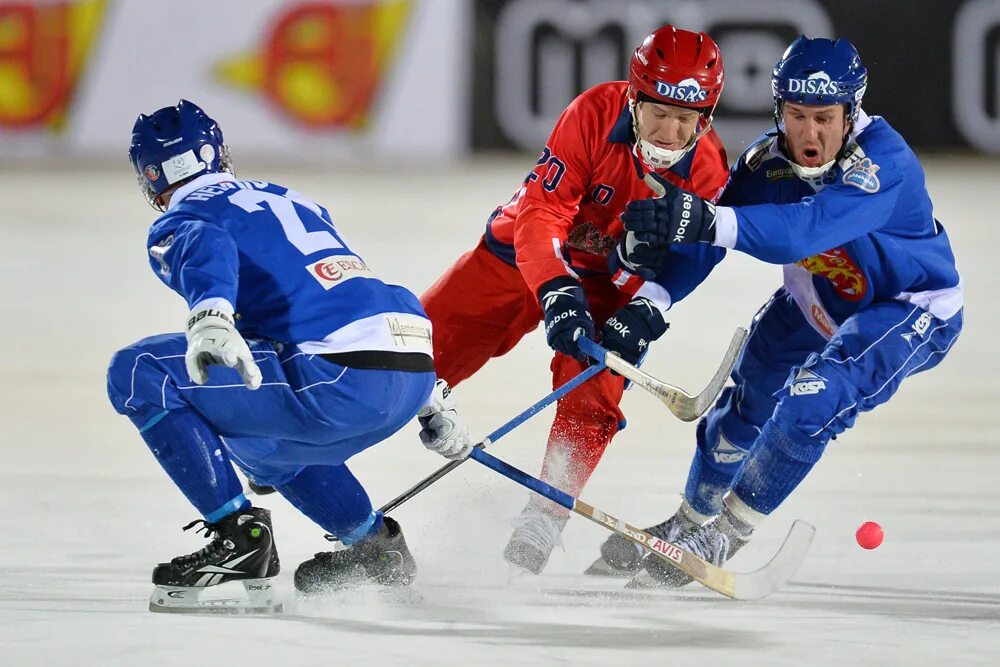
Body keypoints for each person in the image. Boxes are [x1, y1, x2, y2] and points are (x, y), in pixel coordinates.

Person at [593, 36, 964, 586]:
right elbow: (709, 236)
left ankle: (727, 534)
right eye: (795, 116)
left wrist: (704, 219)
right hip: (818, 298)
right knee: (746, 397)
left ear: (850, 113)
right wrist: (653, 301)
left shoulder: (884, 163)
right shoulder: (766, 162)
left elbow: (803, 231)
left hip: (907, 309)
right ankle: (690, 520)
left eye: (824, 118)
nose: (809, 135)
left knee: (814, 397)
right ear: (778, 111)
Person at [106, 100, 472, 612]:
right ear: (217, 152)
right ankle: (374, 548)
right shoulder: (287, 197)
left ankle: (240, 536)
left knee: (138, 372)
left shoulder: (182, 217)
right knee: (259, 445)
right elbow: (338, 288)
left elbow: (206, 245)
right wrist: (430, 399)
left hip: (338, 380)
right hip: (407, 363)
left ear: (151, 177)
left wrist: (210, 314)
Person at [421, 26, 730, 574]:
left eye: (687, 119)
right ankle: (314, 442)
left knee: (596, 386)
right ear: (634, 99)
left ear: (705, 118)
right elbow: (542, 214)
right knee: (413, 355)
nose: (671, 130)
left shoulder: (707, 166)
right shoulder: (592, 113)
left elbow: (698, 254)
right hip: (524, 257)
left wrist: (650, 307)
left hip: (611, 283)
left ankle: (547, 511)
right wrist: (557, 290)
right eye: (659, 111)